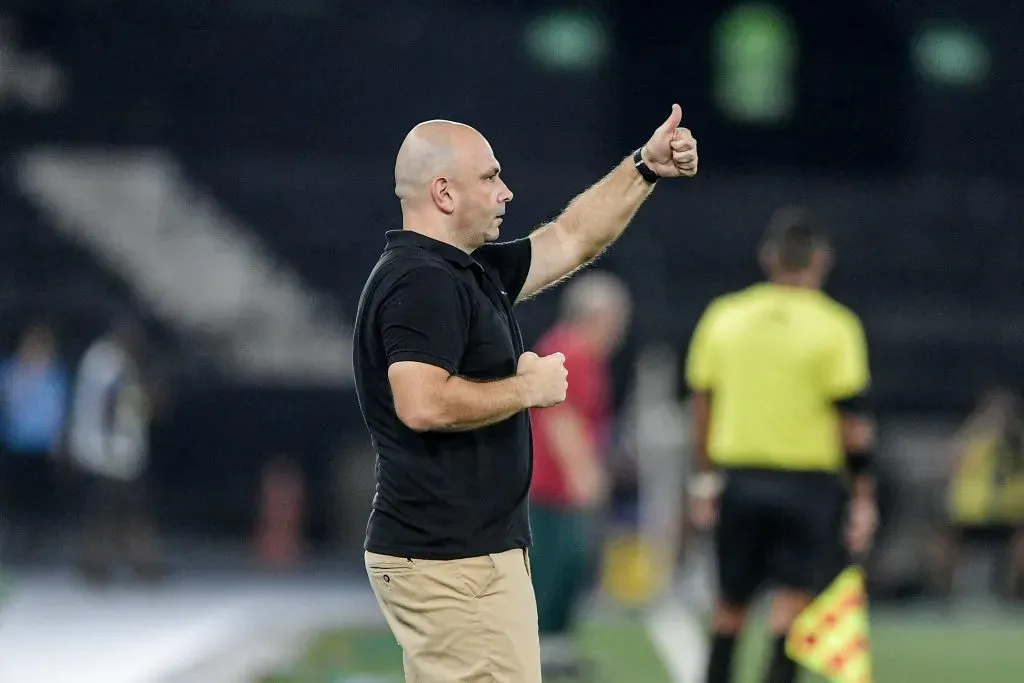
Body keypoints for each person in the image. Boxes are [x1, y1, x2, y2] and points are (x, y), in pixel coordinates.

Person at [352, 105, 697, 683]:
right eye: (489, 178)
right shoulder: (421, 280)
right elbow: (422, 403)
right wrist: (527, 388)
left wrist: (644, 167)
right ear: (442, 191)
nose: (506, 192)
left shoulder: (462, 272)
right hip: (451, 557)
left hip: (461, 554)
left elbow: (571, 237)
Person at [683, 207, 878, 683]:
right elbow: (852, 423)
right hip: (808, 487)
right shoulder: (837, 326)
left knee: (729, 606)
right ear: (821, 260)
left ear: (768, 256)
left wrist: (705, 479)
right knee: (792, 609)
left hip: (739, 481)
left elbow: (702, 407)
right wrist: (863, 496)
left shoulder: (724, 316)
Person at [528, 270, 631, 679]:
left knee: (569, 564)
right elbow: (560, 415)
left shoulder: (584, 355)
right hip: (549, 483)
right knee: (557, 563)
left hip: (558, 481)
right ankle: (540, 645)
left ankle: (555, 644)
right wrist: (583, 472)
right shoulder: (569, 351)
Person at [67, 318, 161, 584]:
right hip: (113, 454)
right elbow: (111, 405)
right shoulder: (109, 363)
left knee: (106, 513)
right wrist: (110, 448)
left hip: (103, 450)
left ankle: (100, 566)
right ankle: (135, 566)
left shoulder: (96, 360)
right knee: (125, 513)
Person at [0, 322, 69, 561]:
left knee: (39, 497)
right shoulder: (11, 371)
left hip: (42, 445)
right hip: (16, 443)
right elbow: (9, 401)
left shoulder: (55, 375)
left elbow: (59, 411)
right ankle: (14, 539)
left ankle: (37, 541)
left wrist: (58, 443)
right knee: (15, 495)